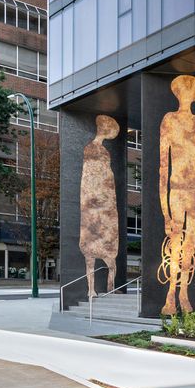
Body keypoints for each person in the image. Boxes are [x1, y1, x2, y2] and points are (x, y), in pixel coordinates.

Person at [158, 75, 195, 315]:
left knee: (188, 248)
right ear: (177, 93)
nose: (186, 96)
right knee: (176, 246)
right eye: (183, 91)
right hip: (177, 191)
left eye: (191, 91)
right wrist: (166, 213)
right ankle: (170, 295)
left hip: (194, 194)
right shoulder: (169, 121)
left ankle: (184, 295)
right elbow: (163, 167)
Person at [79, 115, 120, 299]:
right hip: (95, 208)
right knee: (92, 258)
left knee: (108, 260)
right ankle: (91, 290)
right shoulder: (93, 150)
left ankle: (108, 288)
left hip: (103, 208)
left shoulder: (102, 151)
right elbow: (90, 178)